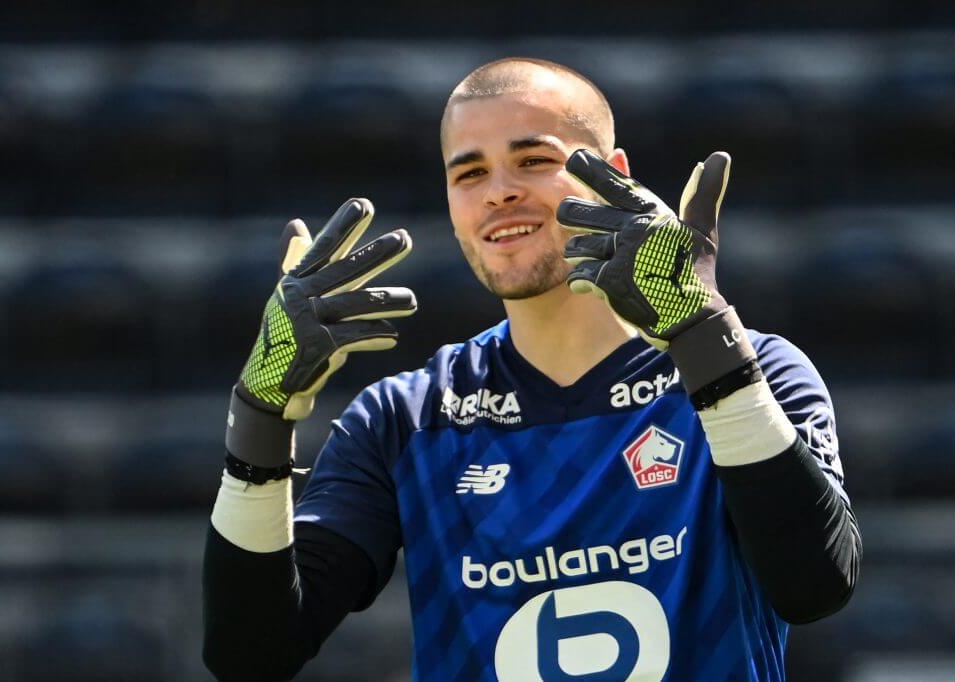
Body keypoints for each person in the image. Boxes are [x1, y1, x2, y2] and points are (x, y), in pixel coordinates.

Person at [202, 57, 861, 681]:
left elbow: (815, 587)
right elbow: (250, 656)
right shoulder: (405, 419)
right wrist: (258, 419)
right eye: (469, 174)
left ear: (614, 173)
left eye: (533, 160)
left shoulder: (750, 369)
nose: (500, 192)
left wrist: (703, 340)